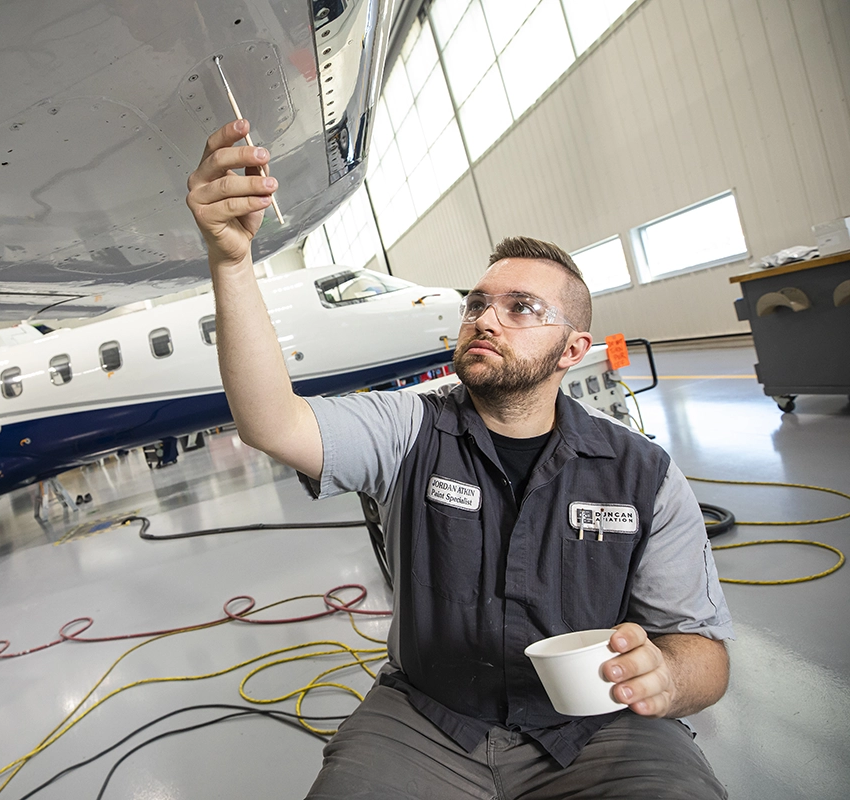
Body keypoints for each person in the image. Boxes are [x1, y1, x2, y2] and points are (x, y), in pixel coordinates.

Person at [186, 119, 734, 799]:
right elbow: (271, 421)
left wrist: (667, 676)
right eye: (478, 302)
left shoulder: (645, 476)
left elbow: (702, 652)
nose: (484, 317)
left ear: (572, 350)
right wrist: (232, 263)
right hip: (428, 718)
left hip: (597, 726)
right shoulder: (409, 428)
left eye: (521, 307)